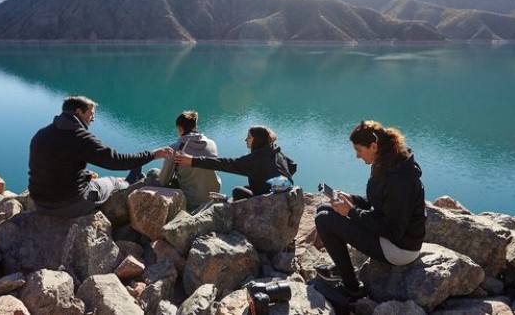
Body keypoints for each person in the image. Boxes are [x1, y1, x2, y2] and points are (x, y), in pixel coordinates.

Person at [314, 120, 426, 301]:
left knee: (324, 219)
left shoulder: (399, 179)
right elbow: (383, 203)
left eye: (359, 150)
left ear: (373, 146)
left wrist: (350, 212)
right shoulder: (388, 162)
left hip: (400, 248)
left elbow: (392, 230)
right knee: (324, 208)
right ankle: (343, 269)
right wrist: (353, 199)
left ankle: (352, 288)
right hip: (392, 238)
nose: (357, 156)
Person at [28, 95, 172, 218]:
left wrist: (83, 174)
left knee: (89, 177)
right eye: (91, 114)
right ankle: (129, 183)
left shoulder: (41, 134)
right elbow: (115, 160)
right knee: (111, 182)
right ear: (78, 112)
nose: (93, 119)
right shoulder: (79, 136)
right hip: (69, 205)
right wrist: (152, 155)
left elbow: (54, 163)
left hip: (40, 203)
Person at [174, 125, 297, 200]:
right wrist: (272, 179)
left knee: (237, 191)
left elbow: (224, 163)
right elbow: (292, 166)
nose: (245, 140)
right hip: (285, 195)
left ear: (258, 140)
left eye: (249, 137)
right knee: (248, 188)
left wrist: (192, 160)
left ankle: (227, 203)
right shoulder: (274, 150)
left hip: (271, 201)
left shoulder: (255, 160)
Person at [157, 110, 221, 211]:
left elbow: (163, 180)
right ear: (195, 126)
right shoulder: (211, 144)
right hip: (212, 196)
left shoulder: (175, 149)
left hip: (192, 201)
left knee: (153, 173)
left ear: (180, 129)